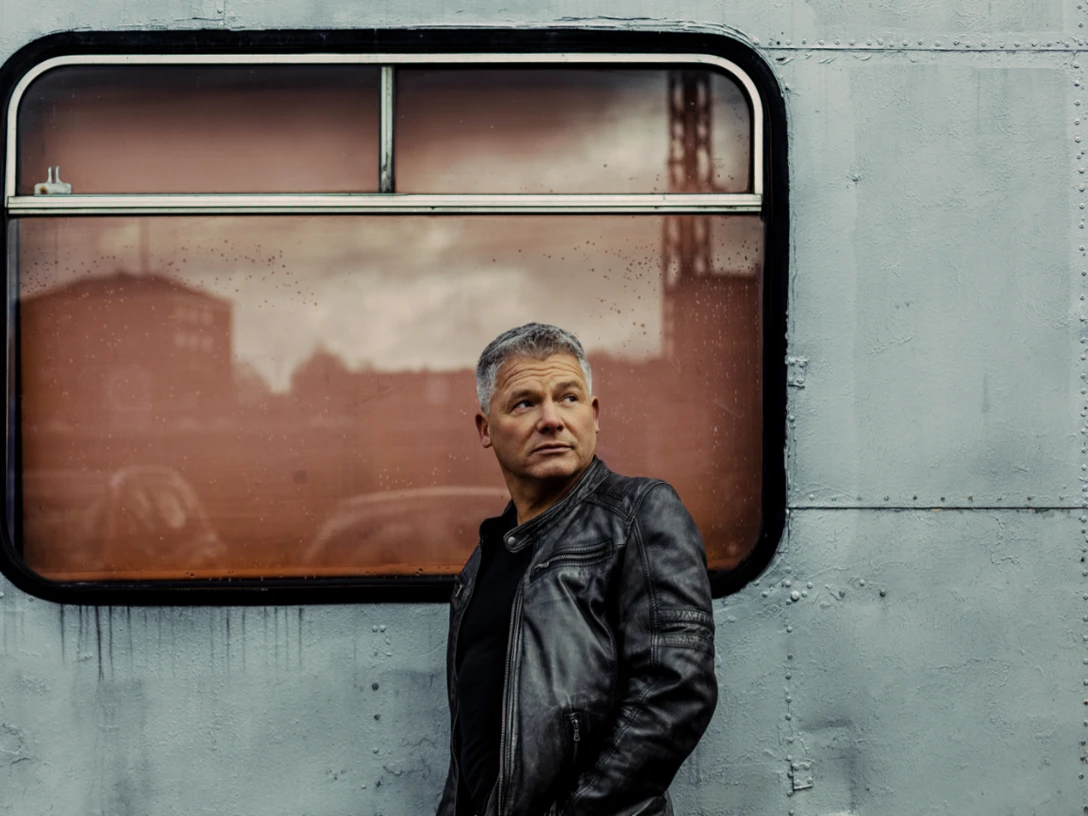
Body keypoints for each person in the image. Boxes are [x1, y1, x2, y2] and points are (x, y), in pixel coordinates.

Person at [436, 322, 717, 816]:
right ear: (485, 429)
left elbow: (675, 691)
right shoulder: (486, 559)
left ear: (593, 414)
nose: (551, 419)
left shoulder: (639, 513)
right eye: (524, 403)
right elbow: (471, 749)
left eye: (567, 398)